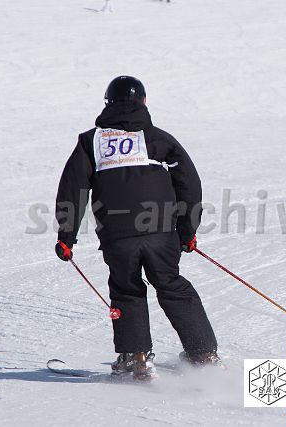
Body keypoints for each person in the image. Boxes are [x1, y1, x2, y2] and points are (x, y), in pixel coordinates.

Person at [54, 76, 218, 380]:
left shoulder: (91, 142)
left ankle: (136, 358)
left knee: (126, 289)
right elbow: (189, 184)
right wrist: (187, 230)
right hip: (160, 231)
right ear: (143, 102)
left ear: (108, 104)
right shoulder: (158, 139)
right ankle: (203, 355)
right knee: (170, 284)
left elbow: (73, 189)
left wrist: (66, 237)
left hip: (118, 236)